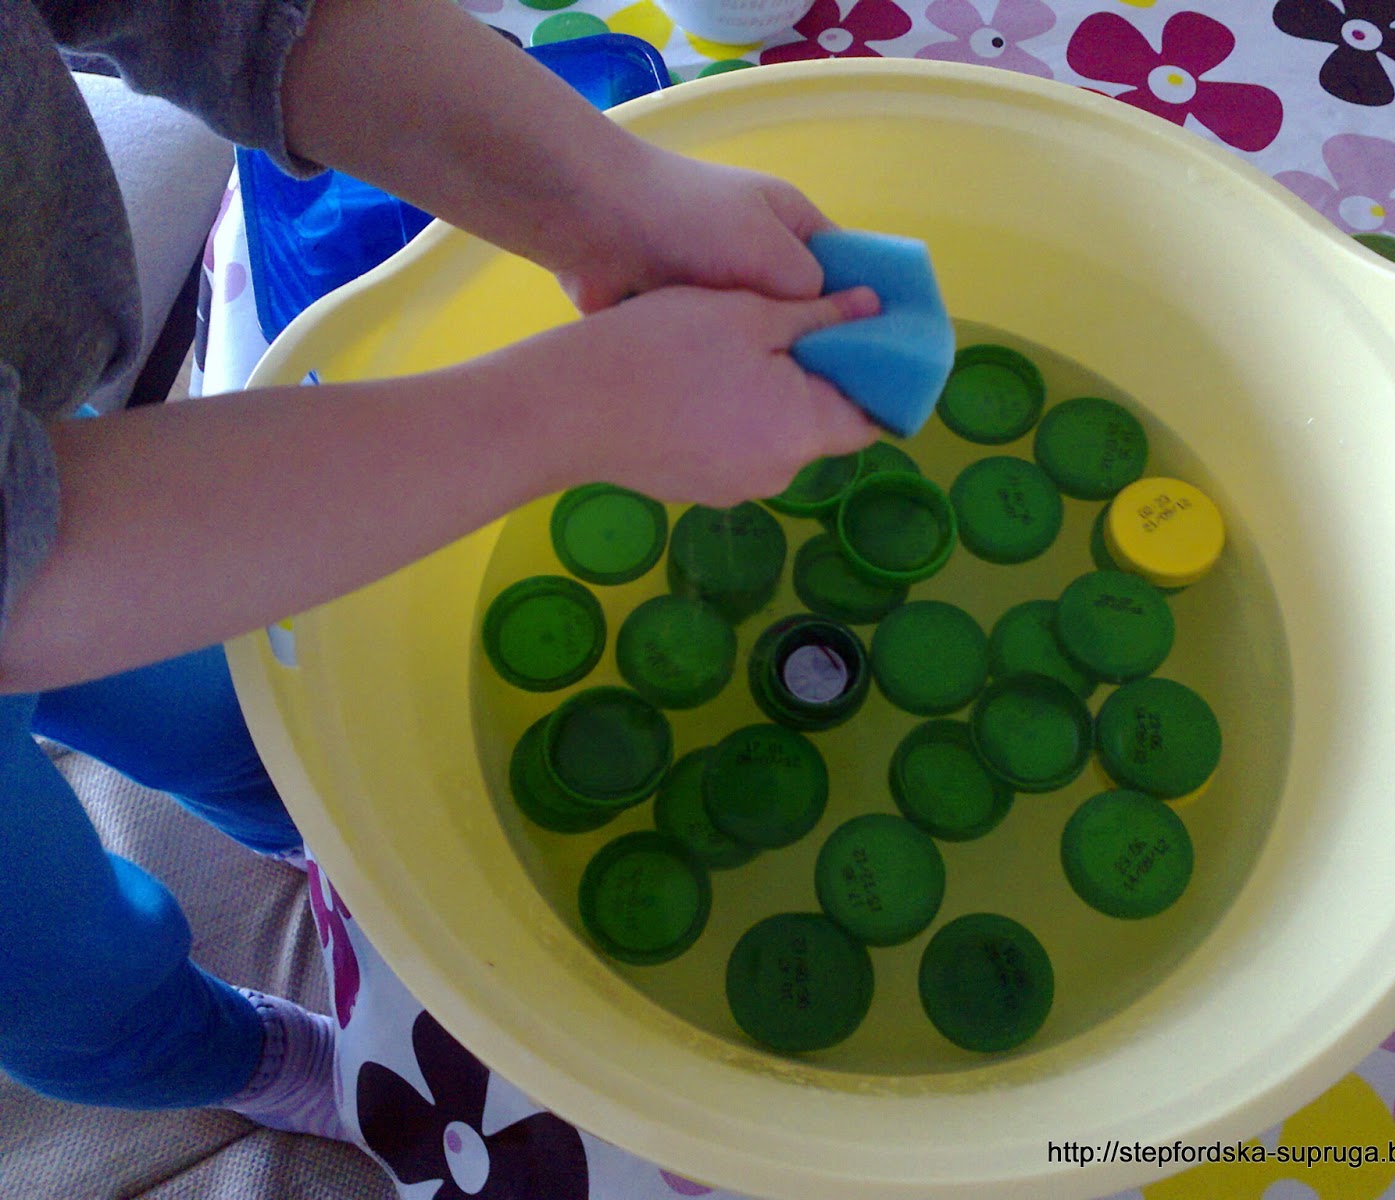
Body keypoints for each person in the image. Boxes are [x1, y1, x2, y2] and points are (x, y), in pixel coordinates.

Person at [0, 0, 879, 1140]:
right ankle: (215, 1052)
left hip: (37, 419)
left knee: (217, 709)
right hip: (41, 524)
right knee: (57, 957)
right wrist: (580, 407)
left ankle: (295, 821)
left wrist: (613, 196)